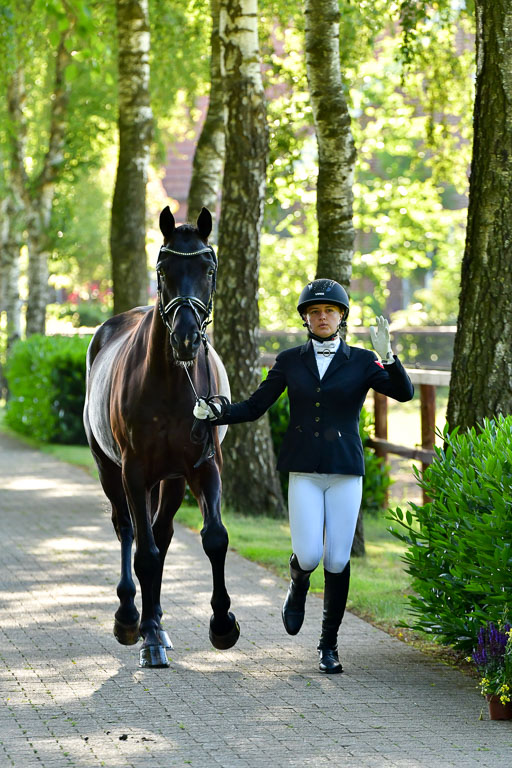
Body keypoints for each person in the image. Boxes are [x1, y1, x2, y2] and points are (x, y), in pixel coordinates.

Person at [193, 279, 414, 673]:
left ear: (341, 316)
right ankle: (298, 584)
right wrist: (218, 412)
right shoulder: (290, 360)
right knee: (310, 554)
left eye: (330, 310)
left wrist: (389, 356)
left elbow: (404, 395)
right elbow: (256, 405)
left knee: (337, 559)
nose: (322, 316)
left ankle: (328, 646)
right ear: (306, 320)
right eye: (315, 312)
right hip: (305, 471)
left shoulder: (363, 361)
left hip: (345, 471)